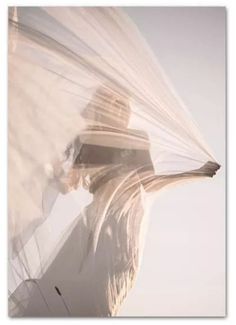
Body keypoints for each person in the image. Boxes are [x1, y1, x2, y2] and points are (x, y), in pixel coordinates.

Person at [43, 85, 220, 316]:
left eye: (122, 104)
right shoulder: (86, 138)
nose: (118, 108)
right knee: (72, 289)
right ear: (100, 105)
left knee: (106, 291)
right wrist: (52, 170)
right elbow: (70, 184)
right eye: (111, 102)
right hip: (95, 221)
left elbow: (149, 183)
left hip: (126, 226)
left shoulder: (137, 138)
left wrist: (194, 173)